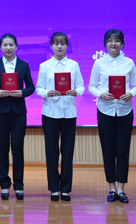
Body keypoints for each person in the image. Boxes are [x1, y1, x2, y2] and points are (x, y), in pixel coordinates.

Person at [89, 29, 136, 204]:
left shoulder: (129, 63)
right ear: (105, 44)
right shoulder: (99, 63)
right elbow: (91, 87)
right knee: (108, 150)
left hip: (125, 110)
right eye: (110, 40)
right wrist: (101, 94)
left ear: (122, 43)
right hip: (105, 110)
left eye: (117, 40)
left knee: (123, 150)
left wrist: (131, 93)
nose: (113, 43)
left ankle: (121, 189)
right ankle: (111, 188)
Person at [35, 32, 85, 202]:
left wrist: (76, 92)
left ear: (67, 46)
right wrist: (47, 93)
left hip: (69, 113)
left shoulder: (74, 65)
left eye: (63, 43)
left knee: (68, 151)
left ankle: (65, 189)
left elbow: (81, 87)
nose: (59, 46)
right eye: (56, 43)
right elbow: (39, 89)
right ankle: (54, 188)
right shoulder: (44, 66)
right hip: (50, 113)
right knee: (52, 151)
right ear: (51, 46)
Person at [0, 33, 35, 200]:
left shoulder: (23, 65)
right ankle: (4, 185)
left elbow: (31, 87)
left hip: (19, 112)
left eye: (11, 45)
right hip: (0, 112)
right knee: (2, 148)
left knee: (17, 148)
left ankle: (19, 185)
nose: (8, 48)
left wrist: (22, 92)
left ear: (16, 46)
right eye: (5, 45)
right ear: (0, 47)